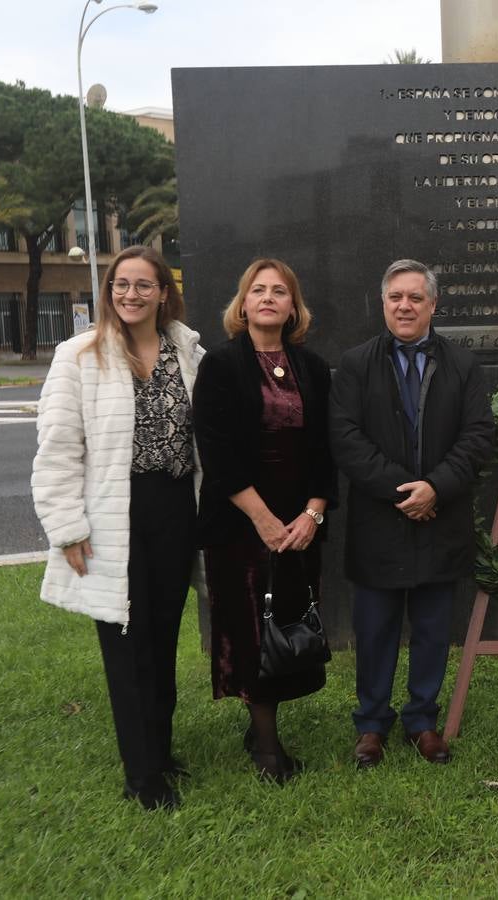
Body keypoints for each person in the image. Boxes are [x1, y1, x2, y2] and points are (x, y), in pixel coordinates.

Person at [32, 246, 203, 810]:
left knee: (163, 636)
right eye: (121, 284)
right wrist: (66, 527)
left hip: (175, 511)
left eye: (143, 285)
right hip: (114, 515)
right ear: (109, 292)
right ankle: (142, 775)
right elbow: (58, 448)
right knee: (127, 643)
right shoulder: (79, 355)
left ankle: (161, 750)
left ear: (163, 292)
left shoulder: (186, 351)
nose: (131, 294)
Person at [329, 259, 493, 768]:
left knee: (432, 630)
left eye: (415, 298)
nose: (405, 306)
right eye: (396, 297)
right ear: (383, 303)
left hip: (441, 520)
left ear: (433, 305)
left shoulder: (463, 365)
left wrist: (436, 488)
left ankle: (422, 720)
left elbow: (478, 436)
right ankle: (371, 724)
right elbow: (346, 438)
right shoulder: (355, 365)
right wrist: (405, 491)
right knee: (375, 631)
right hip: (379, 522)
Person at [193, 258, 336, 784]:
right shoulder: (221, 366)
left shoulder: (312, 367)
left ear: (293, 306)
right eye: (258, 290)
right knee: (251, 630)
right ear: (244, 303)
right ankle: (269, 750)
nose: (269, 298)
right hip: (241, 524)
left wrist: (313, 513)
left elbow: (327, 448)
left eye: (279, 291)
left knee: (287, 623)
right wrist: (264, 521)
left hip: (300, 522)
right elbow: (217, 451)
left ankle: (261, 731)